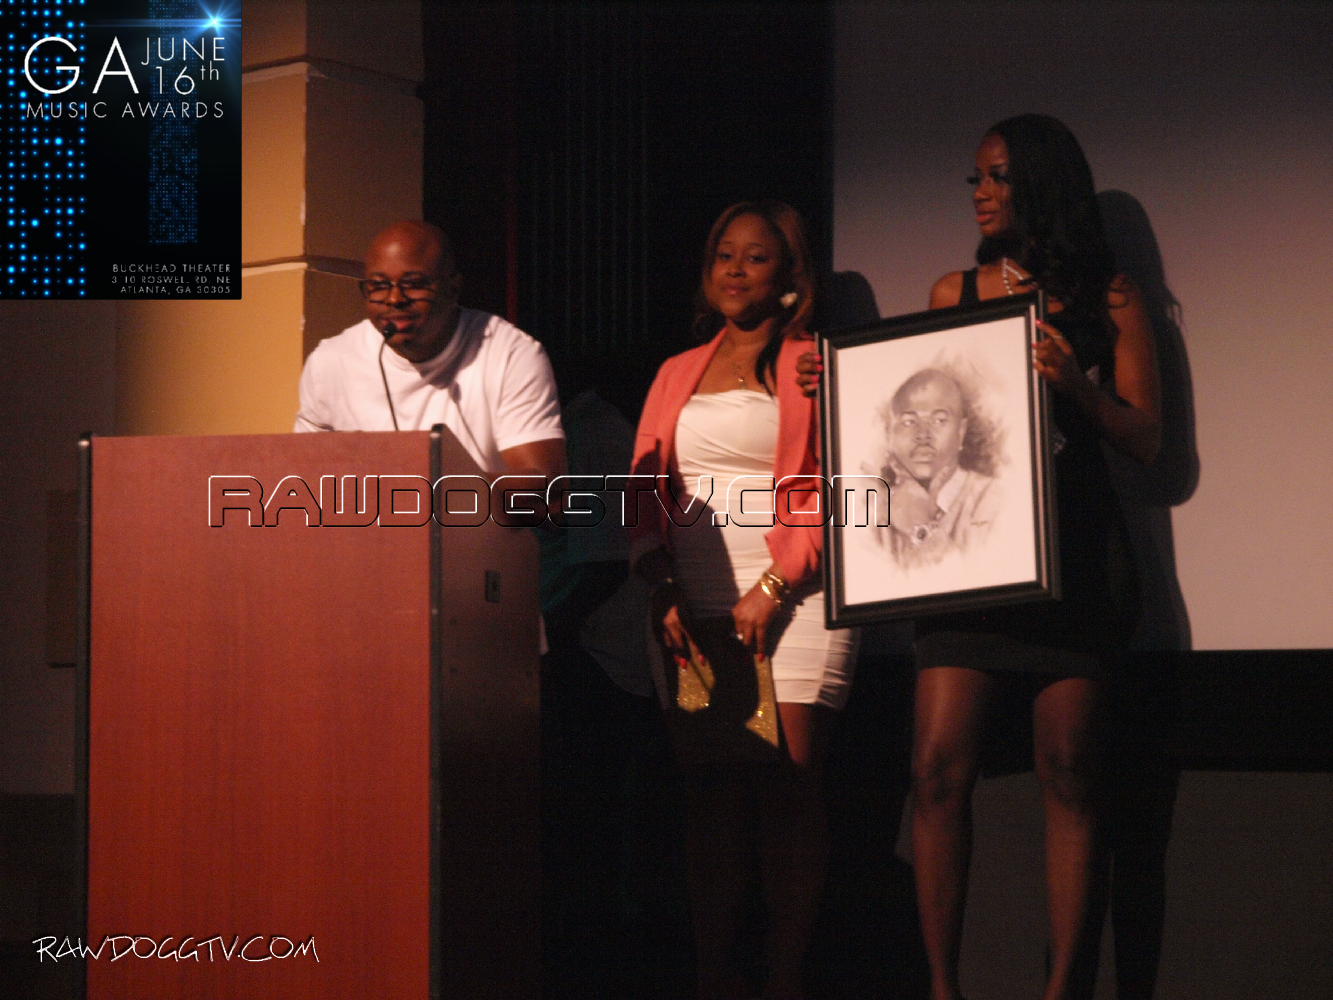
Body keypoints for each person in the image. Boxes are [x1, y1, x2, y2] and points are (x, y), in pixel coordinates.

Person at [801, 115, 1161, 1000]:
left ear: (1040, 180)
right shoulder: (952, 290)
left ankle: (1062, 989)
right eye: (973, 178)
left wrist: (1075, 386)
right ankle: (941, 988)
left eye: (995, 176)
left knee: (1068, 772)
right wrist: (832, 384)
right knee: (932, 769)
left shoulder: (1110, 296)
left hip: (1074, 561)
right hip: (970, 562)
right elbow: (913, 413)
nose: (979, 193)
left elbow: (1148, 439)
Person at [631, 201, 858, 1000]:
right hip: (688, 599)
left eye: (754, 257)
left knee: (785, 784)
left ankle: (784, 979)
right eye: (722, 254)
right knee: (712, 795)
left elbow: (837, 487)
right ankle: (714, 977)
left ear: (788, 275)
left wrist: (773, 585)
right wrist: (660, 583)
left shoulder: (813, 365)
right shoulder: (675, 370)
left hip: (795, 597)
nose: (733, 269)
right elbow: (642, 491)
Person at [294, 220, 565, 481]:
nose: (394, 299)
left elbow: (546, 486)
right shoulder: (330, 362)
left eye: (413, 284)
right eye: (379, 286)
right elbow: (302, 478)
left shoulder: (509, 354)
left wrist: (432, 491)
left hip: (473, 514)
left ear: (453, 289)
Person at [876, 367, 1001, 567]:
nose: (923, 435)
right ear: (890, 433)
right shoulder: (872, 509)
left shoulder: (995, 499)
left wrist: (922, 526)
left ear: (961, 432)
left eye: (939, 420)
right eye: (909, 422)